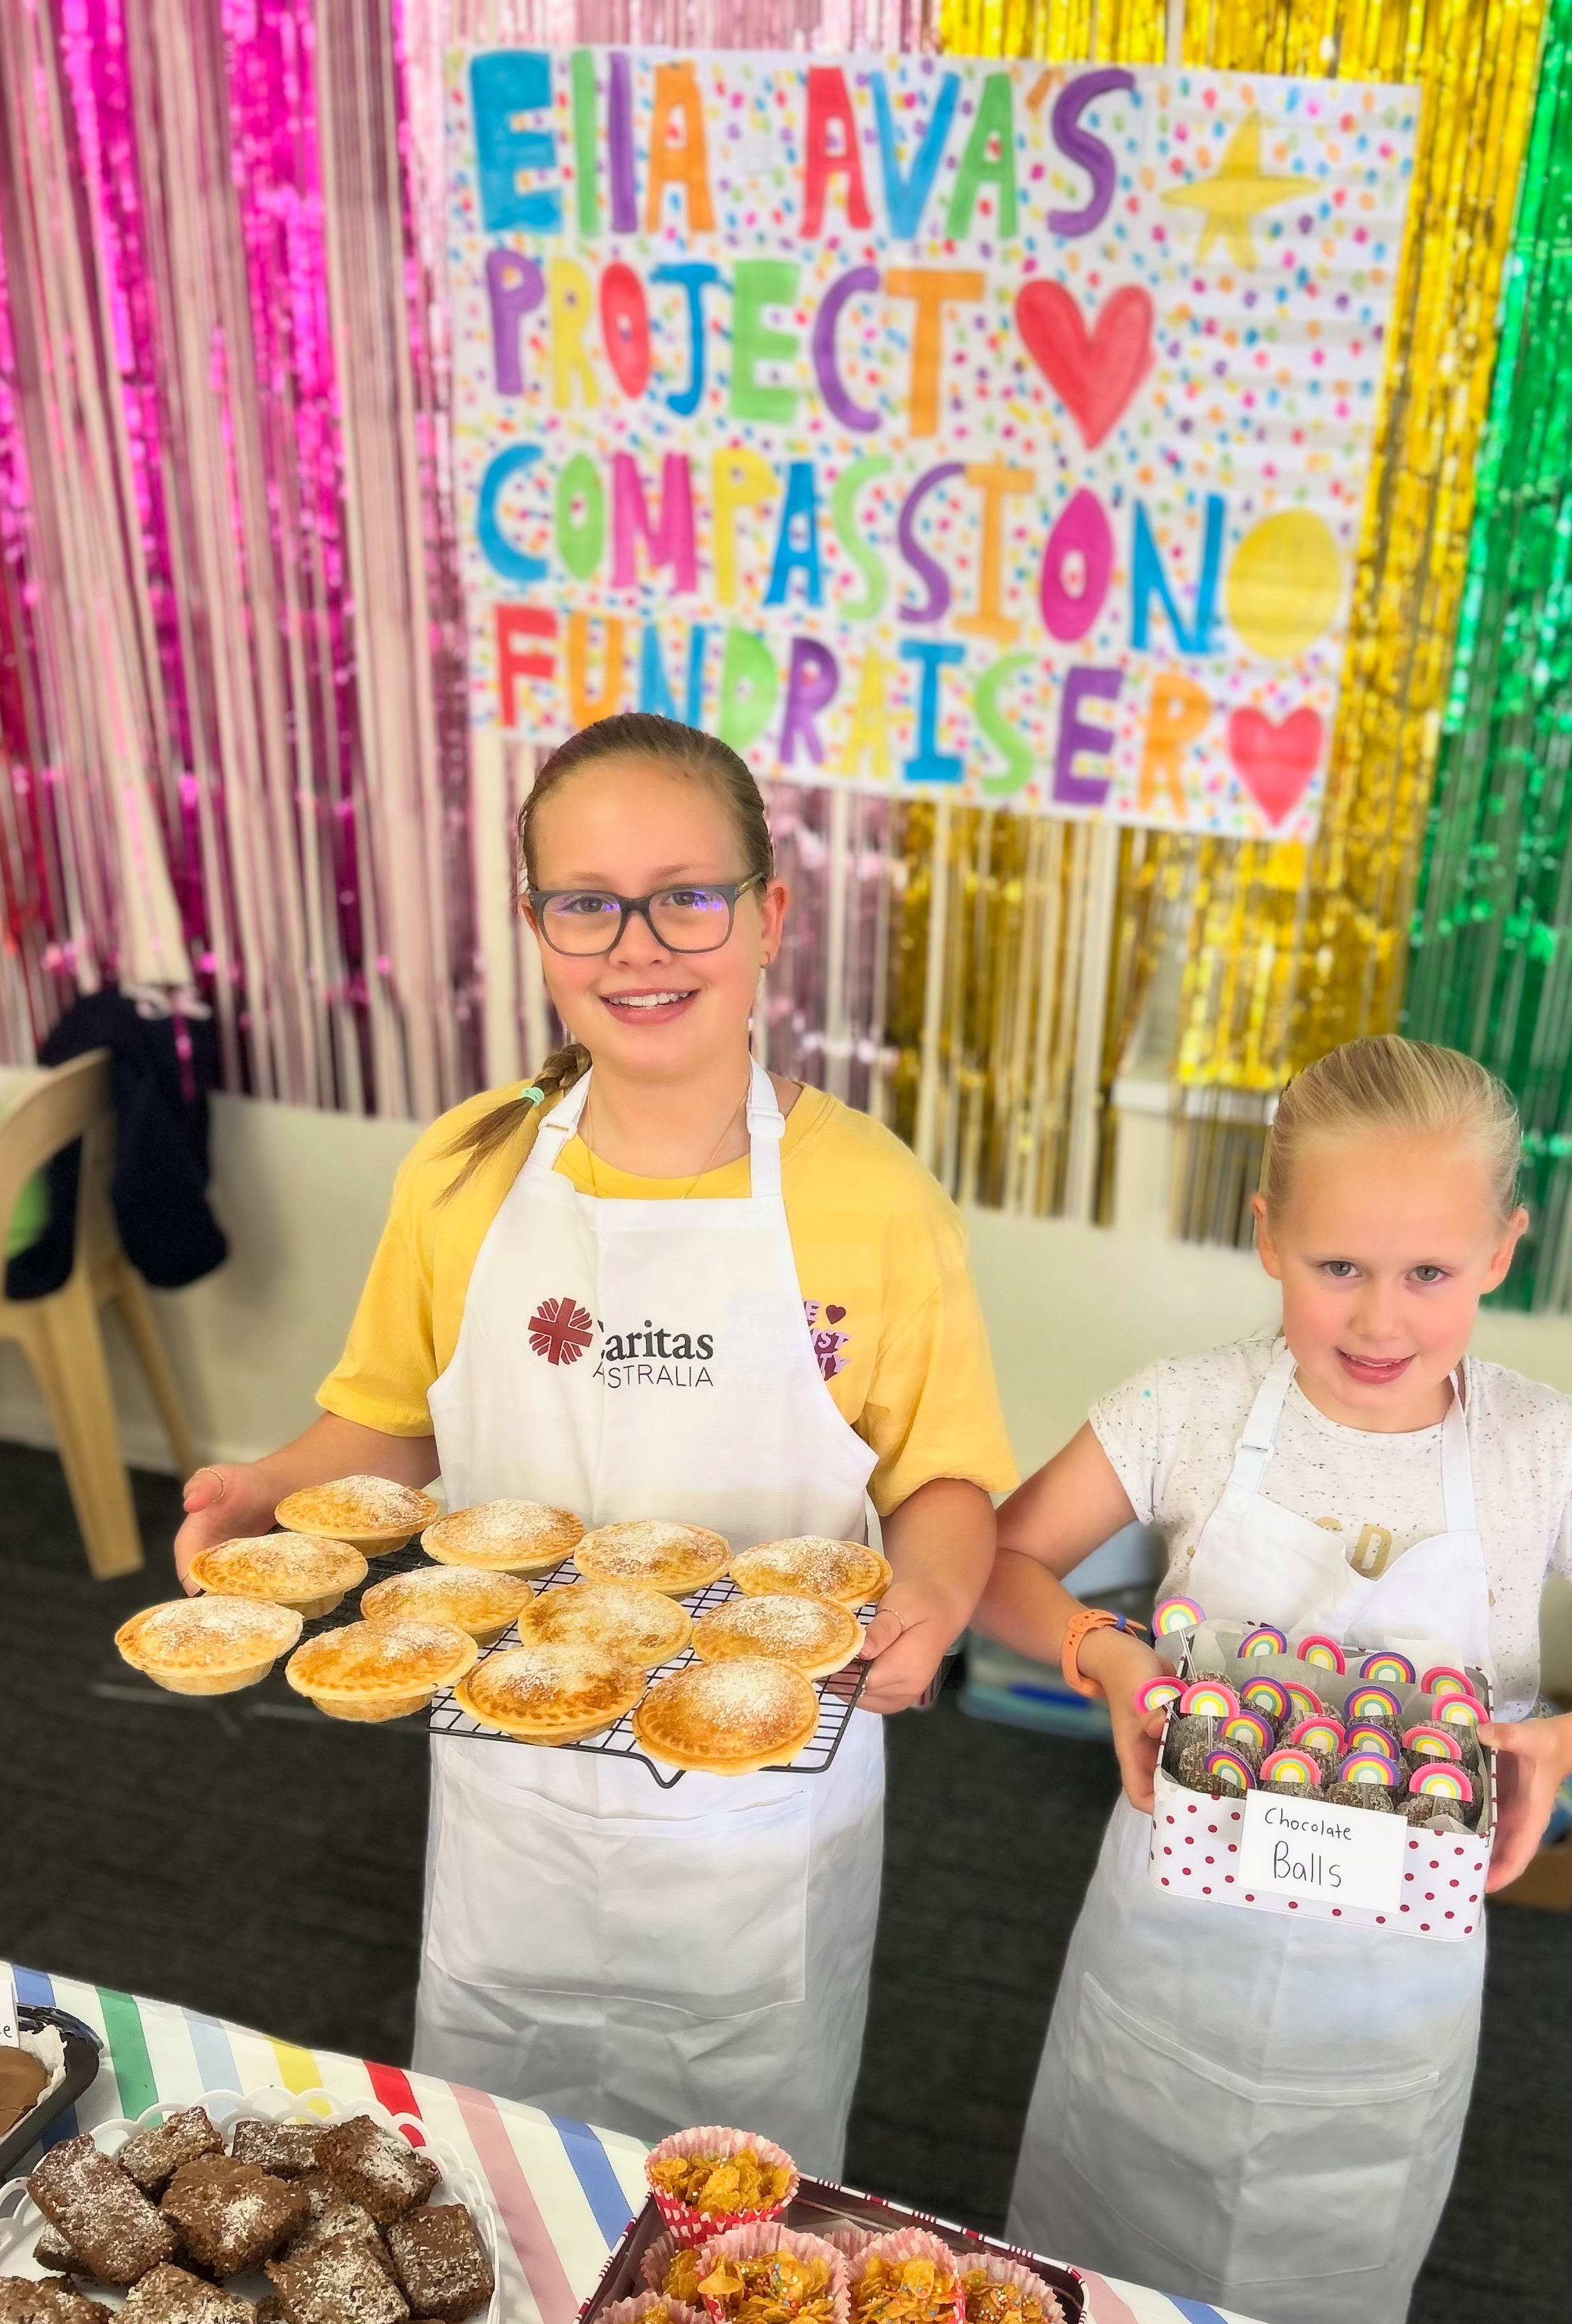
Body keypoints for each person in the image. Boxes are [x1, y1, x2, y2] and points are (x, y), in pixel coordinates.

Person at [174, 714, 1014, 2173]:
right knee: (502, 2149)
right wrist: (271, 1486)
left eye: (688, 895)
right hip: (519, 1776)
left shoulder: (871, 1196)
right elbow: (392, 1414)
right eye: (587, 903)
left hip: (762, 1807)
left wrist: (932, 1595)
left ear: (770, 916)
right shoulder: (466, 1168)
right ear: (536, 926)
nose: (640, 946)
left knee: (736, 2178)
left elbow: (940, 1476)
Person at [979, 1036, 1572, 2324]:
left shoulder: (1545, 1450)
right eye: (1338, 1267)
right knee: (1092, 2291)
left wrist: (1561, 1744)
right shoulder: (1187, 1407)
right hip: (1166, 1954)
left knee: (1317, 2314)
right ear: (1265, 1234)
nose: (1380, 1320)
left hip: (1390, 1991)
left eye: (1429, 1273)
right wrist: (1106, 1654)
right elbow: (998, 1563)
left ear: (1503, 1253)